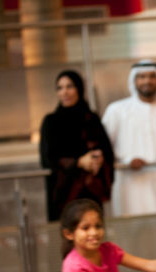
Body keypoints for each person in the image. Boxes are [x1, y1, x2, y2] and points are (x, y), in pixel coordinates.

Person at [102, 59, 156, 217]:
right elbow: (104, 145)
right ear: (134, 80)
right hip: (129, 185)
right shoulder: (117, 110)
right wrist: (127, 159)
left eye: (151, 76)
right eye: (141, 77)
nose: (147, 81)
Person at [40, 70, 114, 222]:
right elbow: (48, 158)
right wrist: (79, 162)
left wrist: (97, 159)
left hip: (89, 192)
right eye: (60, 88)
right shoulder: (51, 121)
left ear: (79, 89)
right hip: (63, 193)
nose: (64, 92)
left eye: (69, 86)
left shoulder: (91, 118)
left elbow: (106, 151)